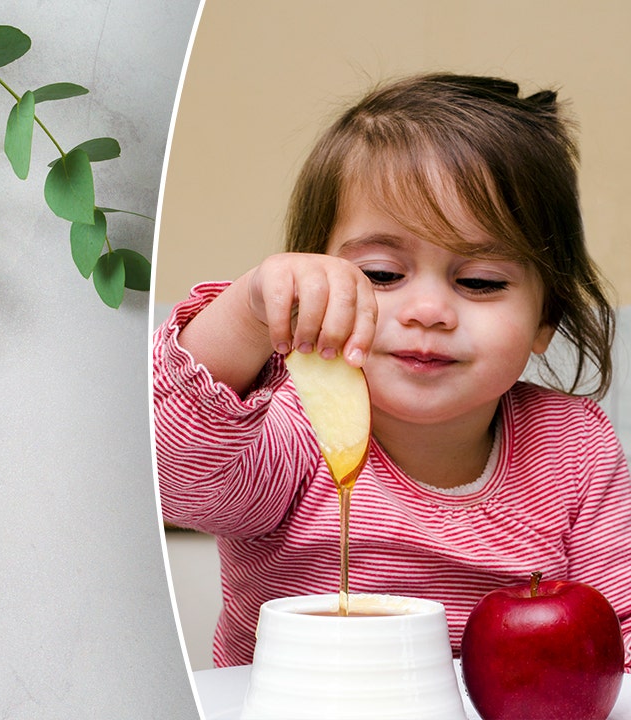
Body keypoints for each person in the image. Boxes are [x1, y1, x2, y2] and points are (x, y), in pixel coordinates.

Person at [152, 72, 631, 669]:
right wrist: (250, 311)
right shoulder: (292, 427)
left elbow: (620, 632)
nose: (428, 312)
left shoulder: (573, 447)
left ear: (545, 319)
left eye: (480, 282)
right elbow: (171, 478)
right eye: (380, 275)